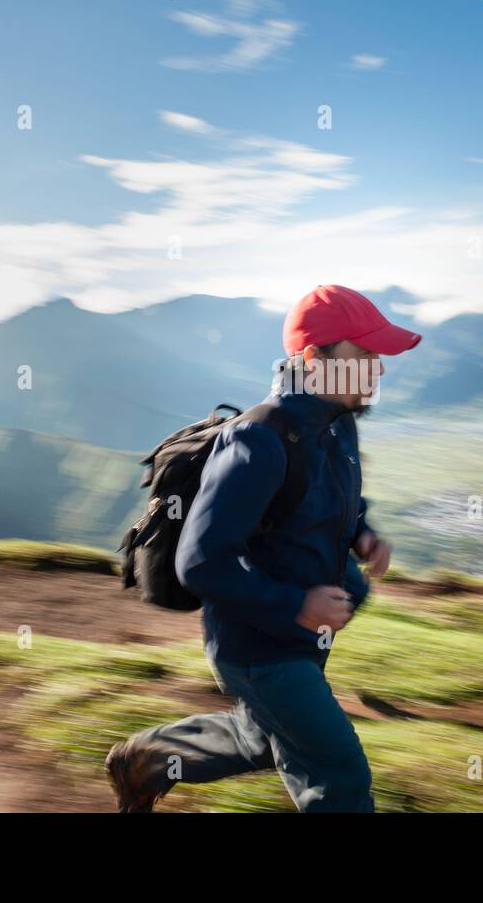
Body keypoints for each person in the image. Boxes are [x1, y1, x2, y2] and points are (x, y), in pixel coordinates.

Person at [105, 284, 421, 812]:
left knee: (260, 741)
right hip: (258, 648)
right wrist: (298, 606)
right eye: (365, 355)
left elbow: (332, 503)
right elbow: (201, 561)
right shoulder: (259, 440)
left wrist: (362, 534)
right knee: (337, 771)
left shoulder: (338, 428)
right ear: (315, 360)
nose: (379, 368)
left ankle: (150, 759)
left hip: (299, 639)